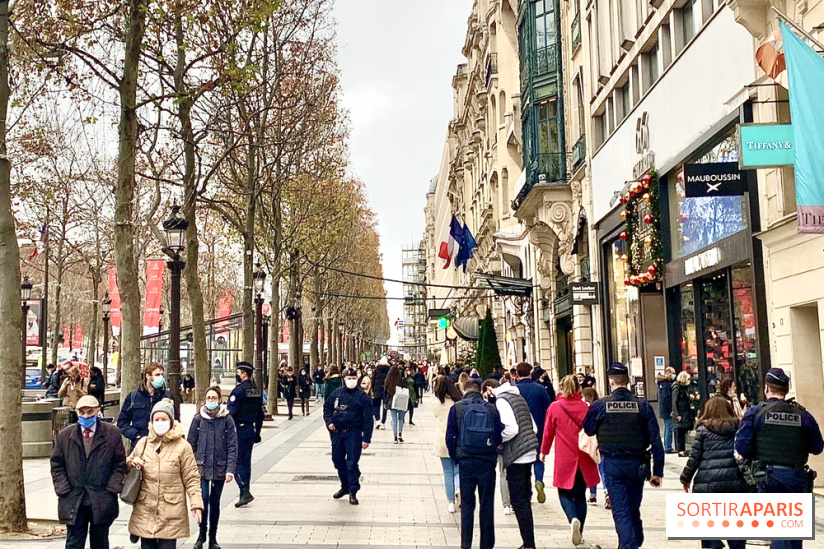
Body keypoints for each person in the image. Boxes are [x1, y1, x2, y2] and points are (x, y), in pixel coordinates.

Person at [734, 368, 824, 549]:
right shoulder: (803, 415)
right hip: (797, 477)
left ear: (767, 389)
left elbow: (742, 447)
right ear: (786, 389)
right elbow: (817, 447)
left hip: (768, 476)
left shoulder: (755, 413)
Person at [583, 362, 664, 549]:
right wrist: (657, 471)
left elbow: (588, 429)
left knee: (621, 511)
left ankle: (629, 544)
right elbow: (656, 441)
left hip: (612, 464)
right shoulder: (642, 405)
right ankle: (634, 540)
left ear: (611, 381)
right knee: (633, 509)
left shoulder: (600, 405)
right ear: (628, 381)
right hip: (638, 465)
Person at [51, 395, 126, 549]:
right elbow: (56, 464)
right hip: (74, 498)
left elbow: (119, 464)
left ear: (97, 411)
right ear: (76, 412)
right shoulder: (65, 435)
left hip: (101, 498)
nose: (86, 416)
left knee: (100, 541)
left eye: (90, 412)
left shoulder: (112, 433)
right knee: (74, 541)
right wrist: (63, 489)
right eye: (82, 412)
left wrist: (112, 488)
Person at [127, 400, 204, 549]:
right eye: (156, 419)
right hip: (145, 510)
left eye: (164, 419)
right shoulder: (143, 443)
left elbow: (192, 477)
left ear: (171, 421)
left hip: (171, 511)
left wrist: (196, 504)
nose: (160, 422)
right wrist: (131, 462)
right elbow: (126, 468)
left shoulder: (183, 447)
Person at [681, 396, 751, 549]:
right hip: (736, 483)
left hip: (708, 485)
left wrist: (685, 478)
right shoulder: (739, 427)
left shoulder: (703, 429)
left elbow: (694, 458)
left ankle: (713, 544)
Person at [541, 375, 601, 547]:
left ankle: (572, 518)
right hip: (584, 457)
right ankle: (579, 532)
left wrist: (543, 451)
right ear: (578, 389)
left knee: (564, 493)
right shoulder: (586, 407)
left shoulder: (555, 407)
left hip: (565, 457)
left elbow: (548, 432)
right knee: (581, 495)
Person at [446, 379, 503, 549]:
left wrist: (456, 457)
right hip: (486, 462)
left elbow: (449, 437)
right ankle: (486, 544)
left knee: (467, 505)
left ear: (464, 390)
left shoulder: (456, 408)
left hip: (466, 461)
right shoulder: (492, 409)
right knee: (487, 504)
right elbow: (498, 437)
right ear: (480, 390)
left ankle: (466, 543)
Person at [188, 386, 238, 549]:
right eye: (208, 398)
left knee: (215, 502)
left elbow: (232, 445)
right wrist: (193, 465)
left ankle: (212, 537)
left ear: (219, 400)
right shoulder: (198, 419)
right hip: (201, 468)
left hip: (219, 468)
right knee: (203, 500)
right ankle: (201, 535)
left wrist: (230, 469)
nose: (211, 401)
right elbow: (190, 444)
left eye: (214, 398)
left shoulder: (227, 420)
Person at [494, 377, 539, 549]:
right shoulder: (519, 398)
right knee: (524, 499)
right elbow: (533, 427)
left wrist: (500, 439)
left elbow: (512, 428)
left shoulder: (502, 400)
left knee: (518, 500)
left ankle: (528, 544)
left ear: (491, 389)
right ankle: (529, 542)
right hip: (528, 452)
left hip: (517, 454)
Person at [323, 367, 373, 505]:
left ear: (357, 380)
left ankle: (353, 491)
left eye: (353, 378)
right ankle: (344, 485)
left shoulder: (362, 397)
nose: (351, 381)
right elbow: (327, 407)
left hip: (354, 433)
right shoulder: (337, 393)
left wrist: (366, 438)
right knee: (337, 460)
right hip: (338, 433)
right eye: (348, 378)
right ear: (344, 379)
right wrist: (329, 422)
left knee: (351, 463)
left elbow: (368, 419)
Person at [227, 361, 264, 508]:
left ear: (243, 374)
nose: (237, 375)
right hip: (250, 429)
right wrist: (258, 432)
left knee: (236, 460)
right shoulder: (256, 390)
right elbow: (260, 414)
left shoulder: (238, 391)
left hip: (239, 429)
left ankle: (244, 490)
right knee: (246, 461)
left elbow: (231, 413)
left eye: (238, 372)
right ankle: (245, 489)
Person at [514, 362, 551, 505]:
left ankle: (527, 492)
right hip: (539, 430)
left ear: (517, 374)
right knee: (538, 458)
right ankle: (539, 480)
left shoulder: (515, 390)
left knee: (524, 461)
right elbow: (548, 410)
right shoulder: (540, 389)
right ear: (530, 372)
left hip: (520, 431)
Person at [117, 362, 172, 448]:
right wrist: (135, 436)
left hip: (162, 445)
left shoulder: (167, 395)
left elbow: (175, 421)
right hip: (140, 446)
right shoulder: (133, 397)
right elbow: (122, 423)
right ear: (148, 376)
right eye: (157, 375)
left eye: (162, 374)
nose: (160, 378)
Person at [432, 375, 463, 513]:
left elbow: (436, 416)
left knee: (447, 472)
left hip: (441, 441)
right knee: (457, 470)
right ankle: (459, 488)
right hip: (456, 440)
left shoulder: (437, 403)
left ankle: (450, 502)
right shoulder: (457, 403)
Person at [582, 387, 607, 508]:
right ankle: (607, 492)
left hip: (590, 442)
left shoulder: (587, 408)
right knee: (603, 469)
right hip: (602, 441)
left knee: (592, 469)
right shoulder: (601, 407)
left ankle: (592, 495)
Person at [672, 370, 694, 457]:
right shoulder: (676, 387)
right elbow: (674, 401)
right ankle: (680, 450)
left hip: (684, 411)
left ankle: (682, 449)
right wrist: (677, 414)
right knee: (679, 431)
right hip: (681, 411)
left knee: (682, 430)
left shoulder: (683, 388)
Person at [384, 365, 407, 443]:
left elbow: (385, 392)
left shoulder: (388, 381)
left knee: (394, 419)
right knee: (400, 418)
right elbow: (405, 388)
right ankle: (400, 435)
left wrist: (385, 402)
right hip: (400, 400)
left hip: (391, 401)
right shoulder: (400, 380)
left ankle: (395, 437)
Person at [656, 366, 676, 453]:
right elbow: (667, 399)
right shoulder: (666, 385)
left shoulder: (661, 384)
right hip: (667, 410)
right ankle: (668, 446)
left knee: (667, 427)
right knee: (669, 428)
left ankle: (667, 445)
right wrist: (671, 410)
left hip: (663, 409)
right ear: (667, 373)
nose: (674, 375)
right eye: (672, 373)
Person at [373, 356, 391, 428]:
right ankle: (383, 422)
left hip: (377, 389)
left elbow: (373, 380)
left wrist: (373, 389)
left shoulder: (376, 370)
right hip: (386, 390)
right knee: (385, 406)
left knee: (376, 405)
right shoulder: (389, 370)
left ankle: (377, 420)